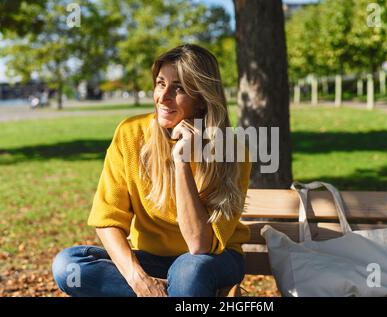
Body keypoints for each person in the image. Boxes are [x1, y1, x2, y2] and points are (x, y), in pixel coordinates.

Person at [52, 44, 252, 297]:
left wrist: (182, 162)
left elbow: (200, 244)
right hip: (150, 260)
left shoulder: (231, 151)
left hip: (212, 260)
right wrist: (139, 280)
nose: (163, 96)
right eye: (160, 83)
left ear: (202, 98)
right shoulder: (131, 134)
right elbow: (107, 221)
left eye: (178, 88)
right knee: (68, 265)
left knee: (188, 272)